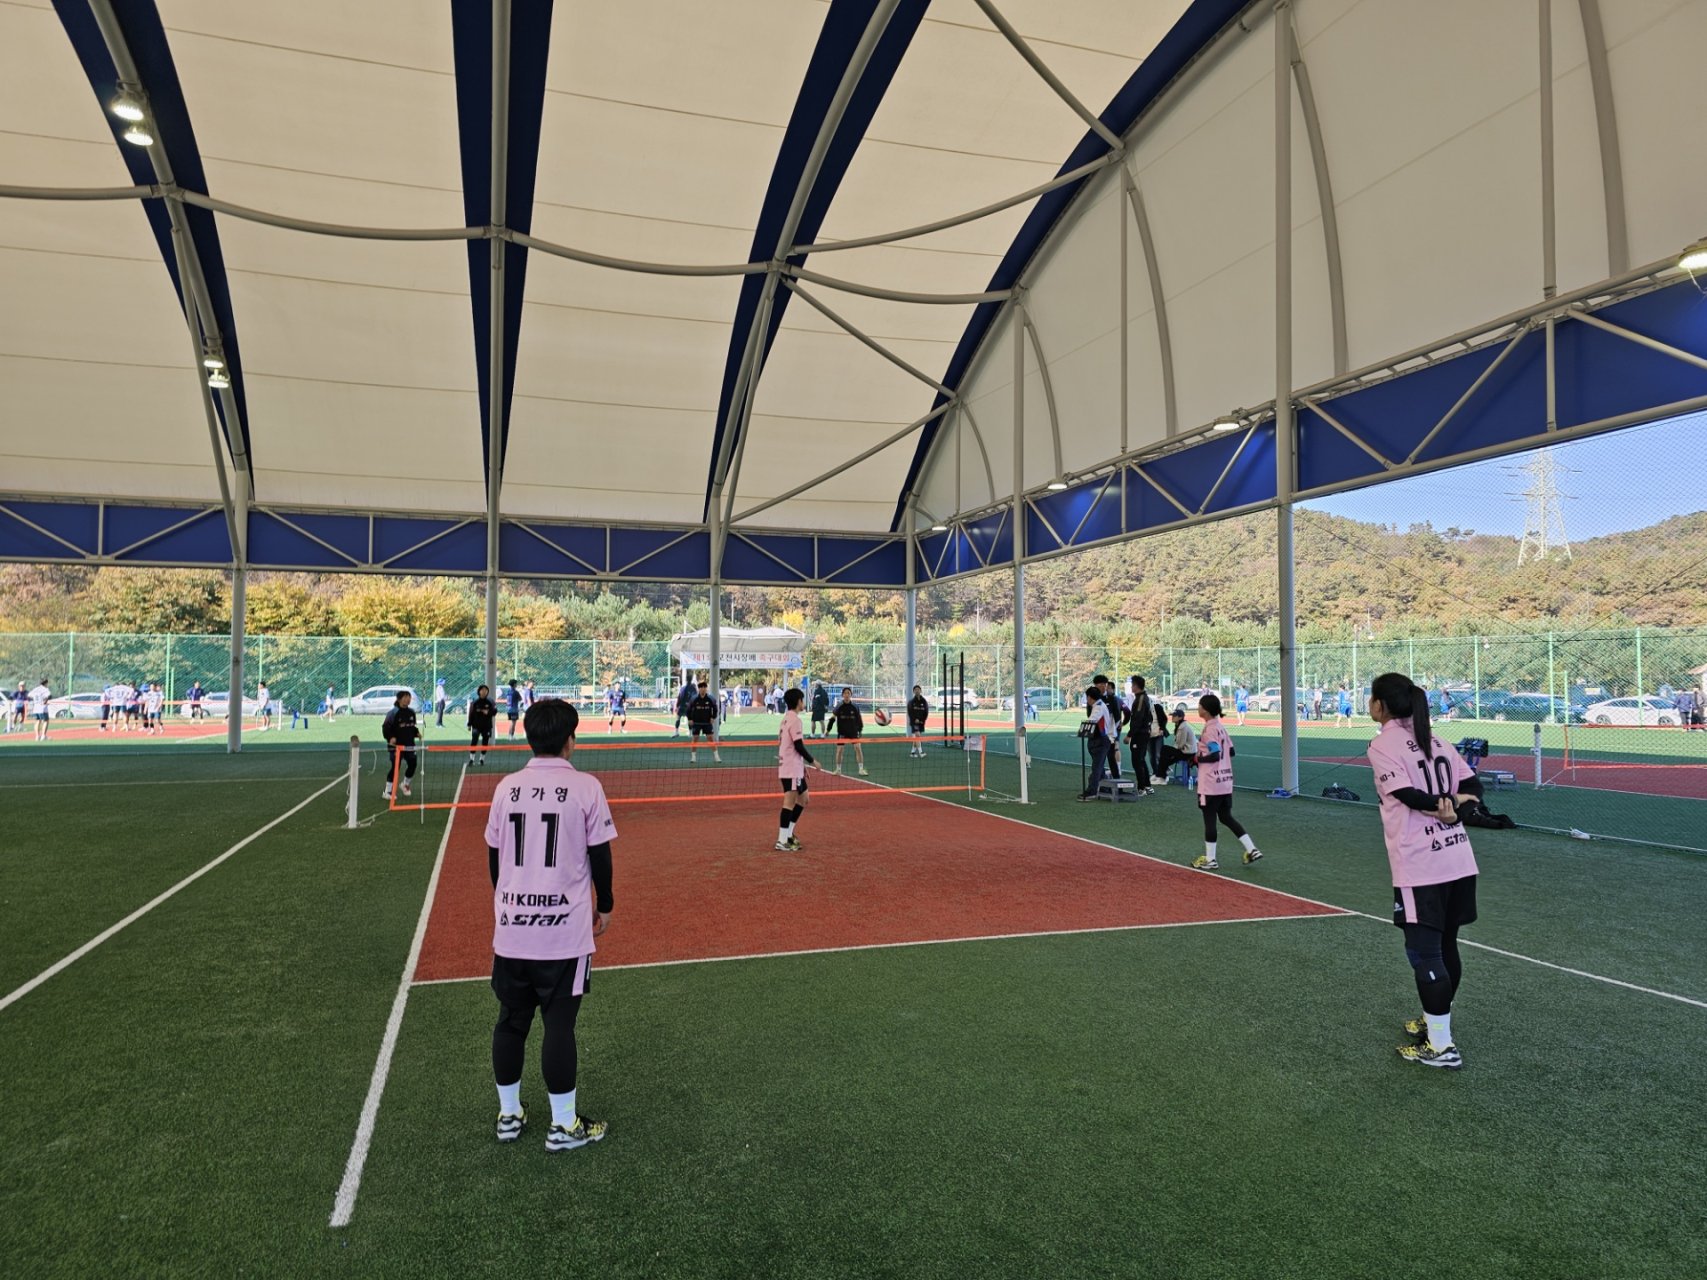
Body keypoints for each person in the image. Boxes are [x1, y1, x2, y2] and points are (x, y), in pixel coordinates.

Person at [484, 697, 615, 1152]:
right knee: (559, 1026)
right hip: (563, 932)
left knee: (510, 1021)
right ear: (570, 740)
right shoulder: (585, 787)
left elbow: (495, 857)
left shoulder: (506, 788)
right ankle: (563, 1125)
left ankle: (509, 1115)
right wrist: (606, 904)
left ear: (529, 737)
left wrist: (509, 901)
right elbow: (600, 855)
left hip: (513, 928)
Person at [1366, 672, 1483, 1071]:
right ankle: (1436, 1023)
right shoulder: (1437, 740)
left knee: (1424, 952)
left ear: (1380, 705)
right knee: (1447, 945)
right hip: (1458, 857)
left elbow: (1408, 796)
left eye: (1371, 698)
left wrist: (1441, 806)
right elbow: (1475, 788)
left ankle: (1442, 1046)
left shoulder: (1383, 744)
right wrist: (1454, 809)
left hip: (1421, 863)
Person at [1191, 693, 1263, 871]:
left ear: (1205, 710)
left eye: (1200, 705)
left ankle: (1211, 859)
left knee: (1210, 820)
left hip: (1210, 783)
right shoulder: (1220, 727)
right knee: (1225, 817)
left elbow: (1215, 754)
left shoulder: (1209, 730)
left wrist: (1198, 759)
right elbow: (1231, 752)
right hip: (1225, 780)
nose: (1198, 708)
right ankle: (1251, 849)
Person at [774, 687, 819, 851]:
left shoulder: (786, 719)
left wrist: (802, 765)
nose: (803, 702)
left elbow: (789, 745)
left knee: (804, 799)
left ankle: (789, 834)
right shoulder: (794, 720)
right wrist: (813, 761)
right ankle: (782, 840)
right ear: (798, 701)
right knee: (789, 802)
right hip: (791, 768)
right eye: (802, 699)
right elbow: (798, 745)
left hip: (793, 767)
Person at [382, 689, 421, 801]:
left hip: (409, 745)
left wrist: (417, 733)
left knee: (413, 764)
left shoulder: (411, 712)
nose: (408, 699)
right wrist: (390, 737)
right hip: (396, 747)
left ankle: (405, 784)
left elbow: (411, 726)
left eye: (409, 697)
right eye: (405, 697)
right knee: (395, 767)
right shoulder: (393, 713)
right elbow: (385, 727)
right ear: (399, 699)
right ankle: (387, 791)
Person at [1078, 685, 1114, 801]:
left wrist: (1081, 729)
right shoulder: (1098, 705)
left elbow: (1092, 720)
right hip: (1099, 740)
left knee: (1097, 767)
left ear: (1089, 697)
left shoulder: (1098, 707)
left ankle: (1092, 791)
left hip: (1101, 740)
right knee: (1099, 766)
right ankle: (1105, 788)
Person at [1092, 675, 1124, 781]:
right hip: (1097, 734)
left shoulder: (1112, 698)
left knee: (1111, 758)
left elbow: (1117, 717)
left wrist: (1113, 732)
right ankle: (1099, 781)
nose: (1103, 687)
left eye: (1104, 685)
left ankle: (1117, 780)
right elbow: (1090, 715)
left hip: (1109, 735)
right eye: (1100, 685)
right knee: (1098, 760)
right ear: (1095, 685)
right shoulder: (1093, 698)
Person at [1126, 676, 1157, 786]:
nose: (1131, 687)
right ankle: (1147, 785)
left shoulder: (1141, 699)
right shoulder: (1143, 698)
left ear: (1136, 686)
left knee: (1137, 761)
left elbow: (1137, 719)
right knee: (1141, 760)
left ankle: (1142, 787)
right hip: (1143, 732)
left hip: (1140, 734)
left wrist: (1129, 735)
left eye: (1132, 685)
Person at [1156, 707, 1198, 783]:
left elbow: (1180, 745)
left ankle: (1161, 776)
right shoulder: (1181, 726)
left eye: (1174, 716)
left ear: (1180, 717)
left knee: (1164, 750)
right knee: (1165, 756)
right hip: (1186, 751)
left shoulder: (1183, 728)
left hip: (1187, 753)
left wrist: (1172, 752)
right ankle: (1162, 774)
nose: (1172, 717)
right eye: (1172, 715)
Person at [831, 687, 867, 777]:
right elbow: (833, 717)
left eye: (848, 693)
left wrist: (860, 730)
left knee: (858, 748)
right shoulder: (839, 706)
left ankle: (861, 769)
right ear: (842, 695)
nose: (847, 695)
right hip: (842, 732)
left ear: (851, 695)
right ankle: (838, 770)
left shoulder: (855, 706)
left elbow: (859, 719)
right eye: (845, 693)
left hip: (853, 731)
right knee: (840, 750)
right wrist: (828, 729)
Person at [686, 680, 720, 763]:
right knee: (695, 739)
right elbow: (688, 710)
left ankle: (716, 756)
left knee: (711, 739)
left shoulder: (711, 698)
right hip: (696, 723)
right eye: (701, 687)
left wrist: (713, 717)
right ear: (699, 689)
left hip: (707, 723)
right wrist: (690, 719)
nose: (703, 689)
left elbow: (715, 709)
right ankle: (693, 757)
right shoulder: (694, 698)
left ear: (706, 688)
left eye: (705, 687)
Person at [468, 684, 497, 764]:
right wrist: (469, 724)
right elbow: (471, 714)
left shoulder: (490, 702)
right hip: (476, 726)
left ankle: (482, 759)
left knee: (485, 742)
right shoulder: (475, 702)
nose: (484, 691)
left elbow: (494, 712)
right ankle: (471, 759)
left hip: (487, 726)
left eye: (486, 690)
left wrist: (488, 712)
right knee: (474, 741)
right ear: (479, 691)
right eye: (482, 690)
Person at [906, 684, 929, 758]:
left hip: (921, 723)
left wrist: (922, 720)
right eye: (915, 690)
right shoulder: (911, 702)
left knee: (916, 737)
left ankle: (912, 753)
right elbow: (910, 713)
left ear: (920, 691)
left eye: (918, 689)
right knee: (918, 735)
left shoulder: (924, 701)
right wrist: (914, 719)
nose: (917, 691)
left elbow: (926, 712)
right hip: (914, 723)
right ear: (913, 692)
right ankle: (921, 752)